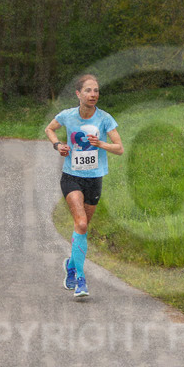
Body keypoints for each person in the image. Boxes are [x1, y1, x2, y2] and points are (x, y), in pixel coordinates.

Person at [43, 73, 123, 298]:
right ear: (78, 94)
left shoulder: (105, 118)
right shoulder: (67, 116)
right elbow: (50, 129)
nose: (93, 94)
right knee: (81, 223)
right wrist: (58, 144)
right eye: (88, 90)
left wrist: (102, 144)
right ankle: (80, 279)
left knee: (83, 226)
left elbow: (120, 148)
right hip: (72, 177)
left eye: (96, 90)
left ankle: (71, 263)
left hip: (95, 179)